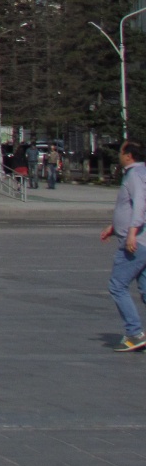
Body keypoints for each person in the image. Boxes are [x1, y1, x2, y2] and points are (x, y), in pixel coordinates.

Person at [102, 140, 146, 351]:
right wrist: (115, 226)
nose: (119, 154)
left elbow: (140, 206)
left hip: (136, 242)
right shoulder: (140, 173)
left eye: (121, 151)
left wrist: (131, 233)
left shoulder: (135, 175)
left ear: (128, 155)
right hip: (141, 240)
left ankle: (135, 333)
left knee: (117, 286)